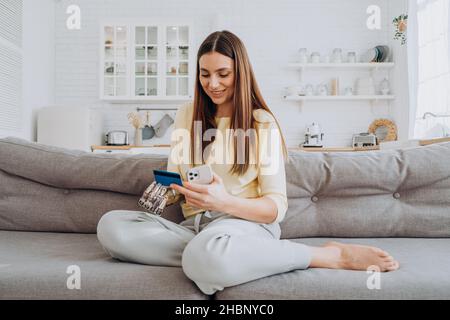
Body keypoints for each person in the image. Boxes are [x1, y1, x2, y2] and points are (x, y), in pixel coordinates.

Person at [97, 30, 399, 295]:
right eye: (204, 74)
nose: (212, 83)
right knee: (112, 227)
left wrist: (224, 202)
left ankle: (326, 255)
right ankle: (216, 259)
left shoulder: (260, 123)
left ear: (240, 72)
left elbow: (275, 208)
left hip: (245, 226)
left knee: (206, 254)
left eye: (222, 74)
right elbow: (178, 178)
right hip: (196, 229)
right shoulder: (186, 114)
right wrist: (168, 191)